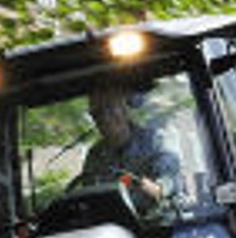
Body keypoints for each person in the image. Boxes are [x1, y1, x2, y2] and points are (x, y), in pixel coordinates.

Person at [73, 80, 182, 213]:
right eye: (97, 113)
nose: (105, 117)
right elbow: (89, 195)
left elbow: (169, 177)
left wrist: (159, 188)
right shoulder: (95, 156)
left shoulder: (155, 141)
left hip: (160, 225)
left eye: (110, 107)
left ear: (125, 108)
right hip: (114, 228)